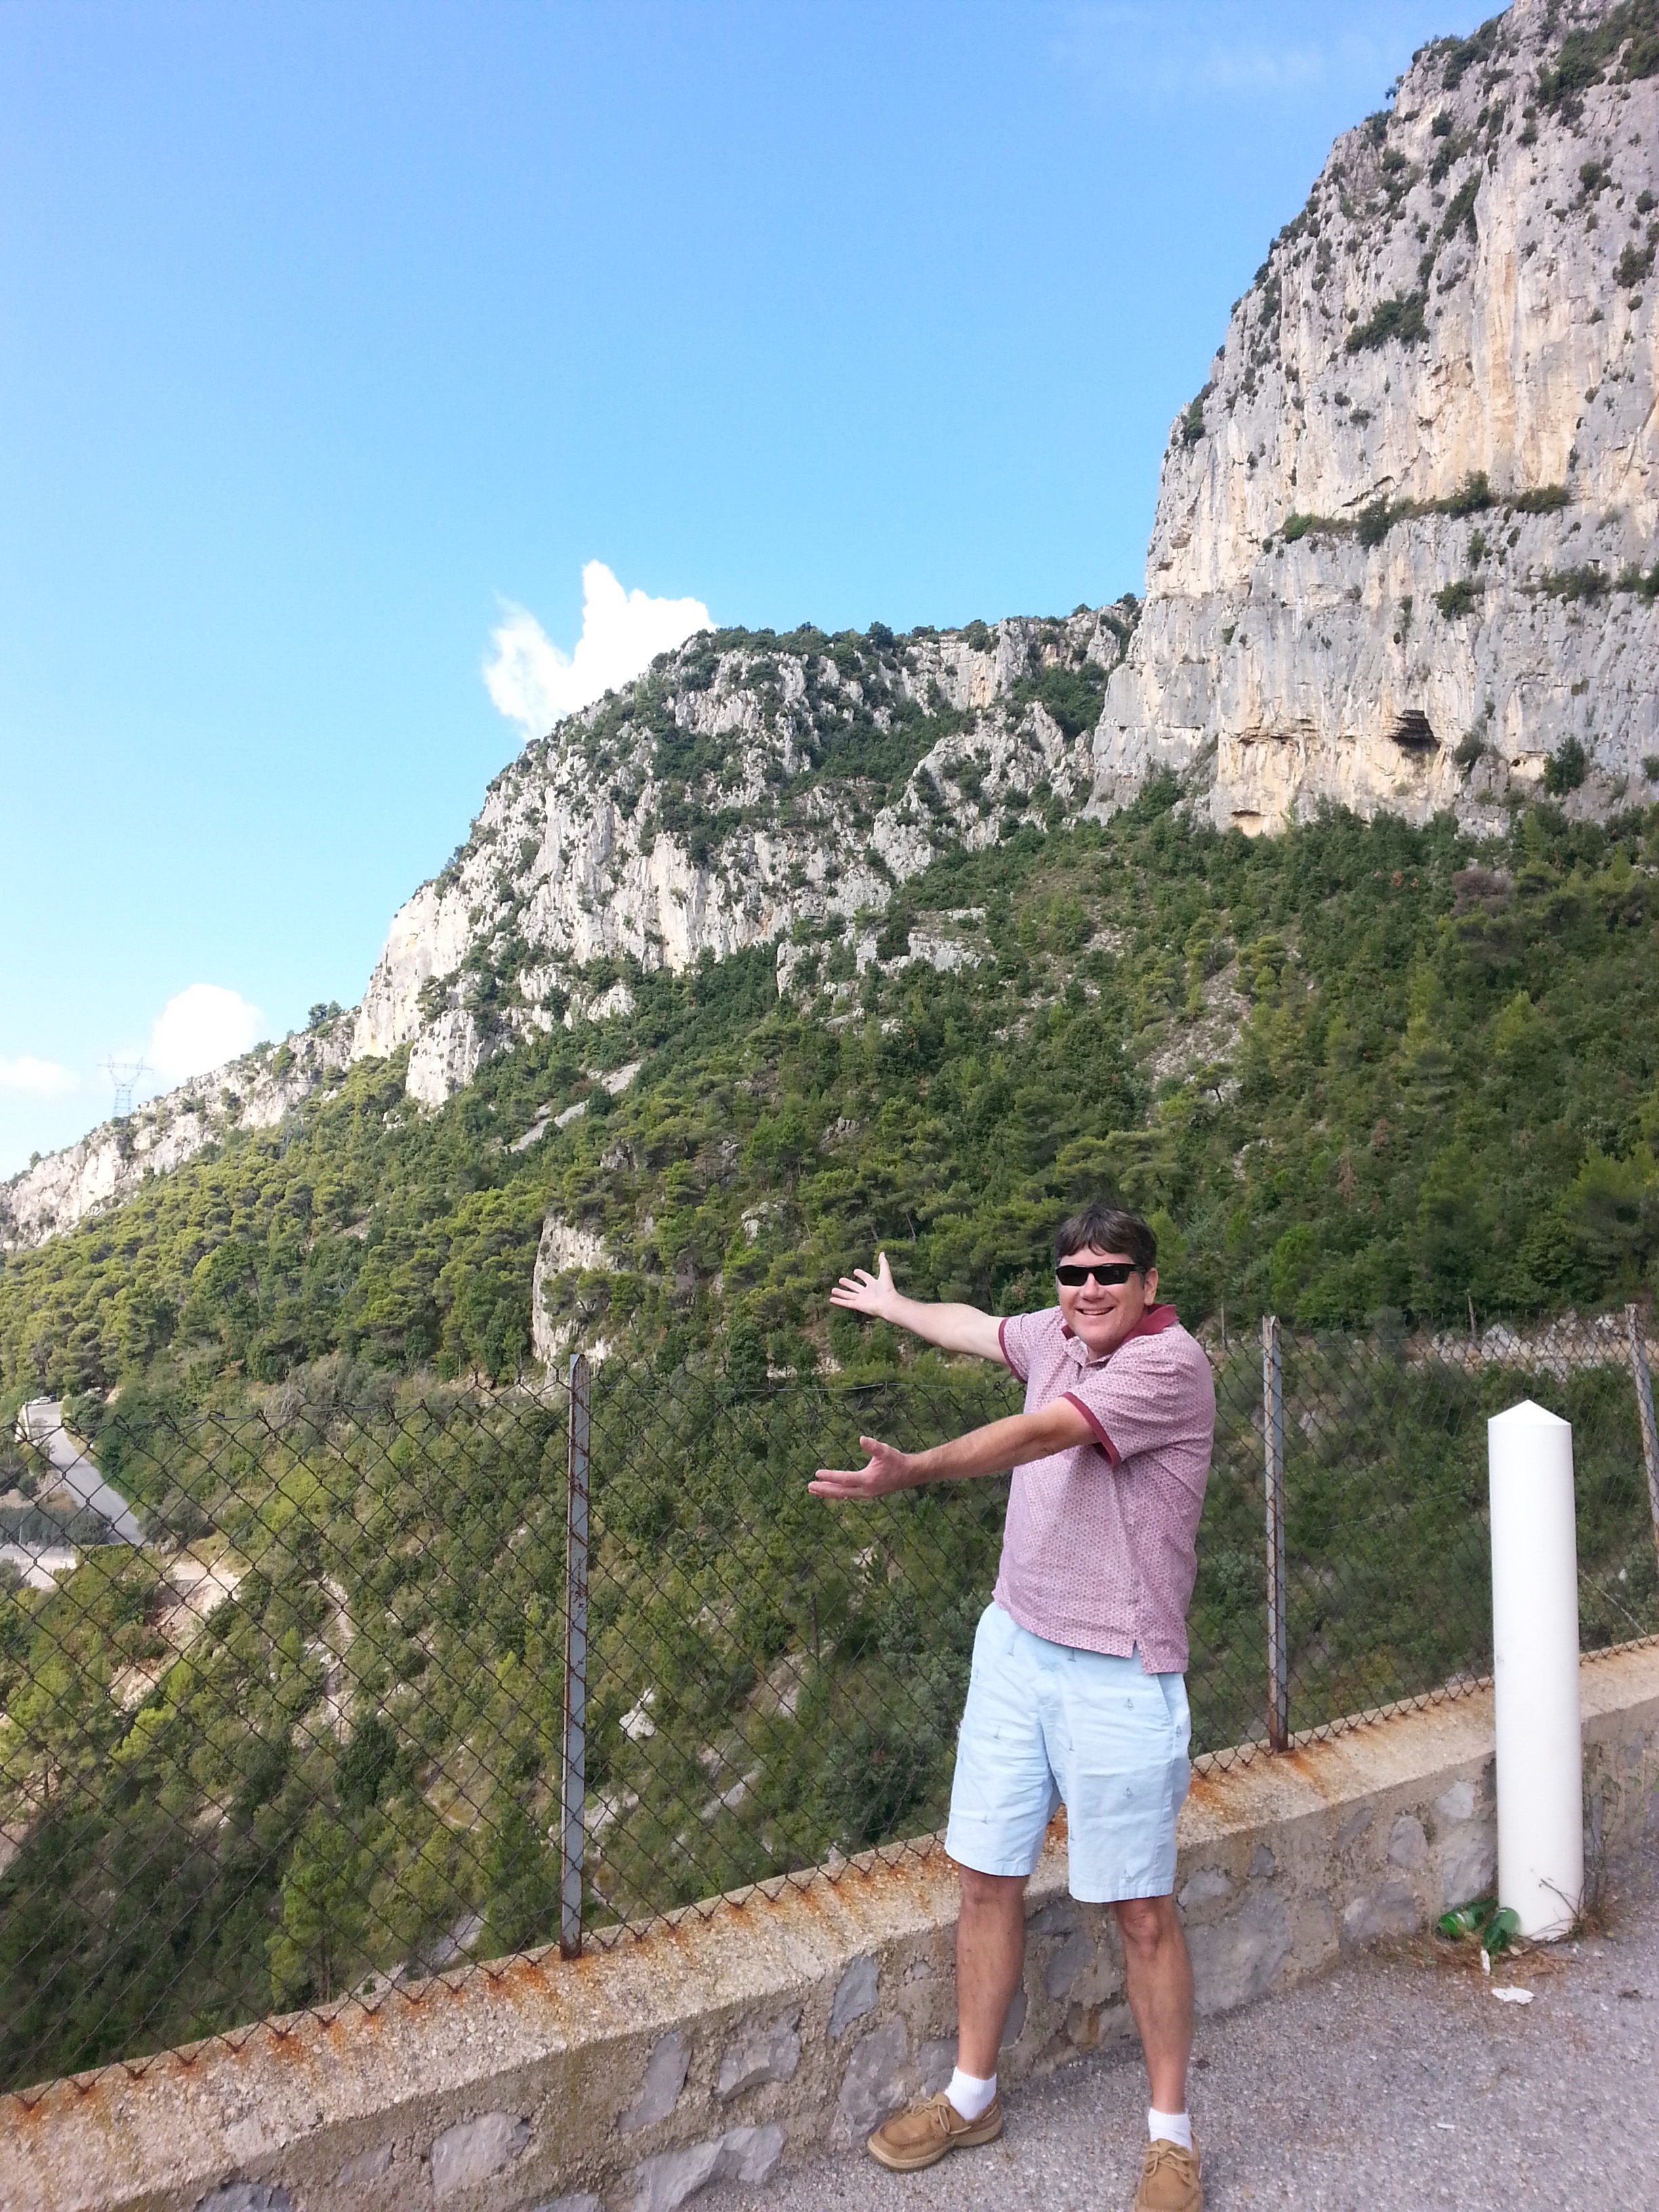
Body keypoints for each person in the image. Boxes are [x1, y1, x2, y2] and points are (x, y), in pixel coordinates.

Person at [812, 1204, 1216, 2212]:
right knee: (986, 1876)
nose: (1089, 1289)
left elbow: (1043, 1434)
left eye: (1111, 1273)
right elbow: (979, 1326)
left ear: (1150, 1284)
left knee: (1142, 1910)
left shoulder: (1168, 1366)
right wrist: (899, 1307)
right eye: (1073, 1274)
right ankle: (972, 2096)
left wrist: (917, 1470)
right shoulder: (1057, 1333)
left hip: (1119, 1668)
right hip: (1016, 1647)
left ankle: (1171, 2140)